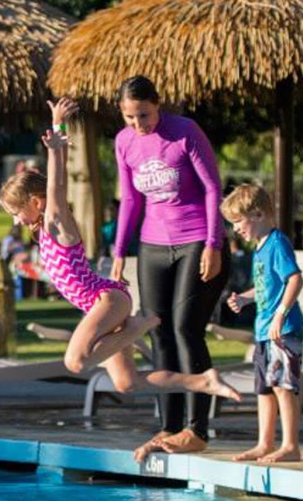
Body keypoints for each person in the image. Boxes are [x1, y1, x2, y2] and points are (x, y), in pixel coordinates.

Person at [0, 98, 240, 406]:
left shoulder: (56, 223)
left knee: (75, 362)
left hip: (107, 301)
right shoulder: (44, 232)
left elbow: (56, 189)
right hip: (100, 306)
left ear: (35, 202)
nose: (16, 220)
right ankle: (204, 381)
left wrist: (56, 142)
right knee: (127, 383)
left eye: (16, 211)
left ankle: (139, 324)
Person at [106, 76, 231, 460]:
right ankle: (170, 425)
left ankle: (197, 429)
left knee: (185, 329)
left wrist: (213, 243)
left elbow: (212, 188)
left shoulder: (184, 131)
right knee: (156, 330)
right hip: (153, 244)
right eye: (129, 117)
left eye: (143, 114)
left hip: (196, 238)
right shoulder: (124, 141)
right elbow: (129, 198)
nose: (138, 124)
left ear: (157, 105)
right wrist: (119, 252)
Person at [221, 185, 303, 464]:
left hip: (283, 329)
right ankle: (264, 443)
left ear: (257, 214)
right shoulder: (260, 250)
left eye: (238, 222)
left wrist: (281, 313)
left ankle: (291, 445)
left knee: (283, 385)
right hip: (263, 329)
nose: (236, 230)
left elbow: (294, 279)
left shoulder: (277, 243)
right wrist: (245, 299)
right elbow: (265, 286)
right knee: (265, 389)